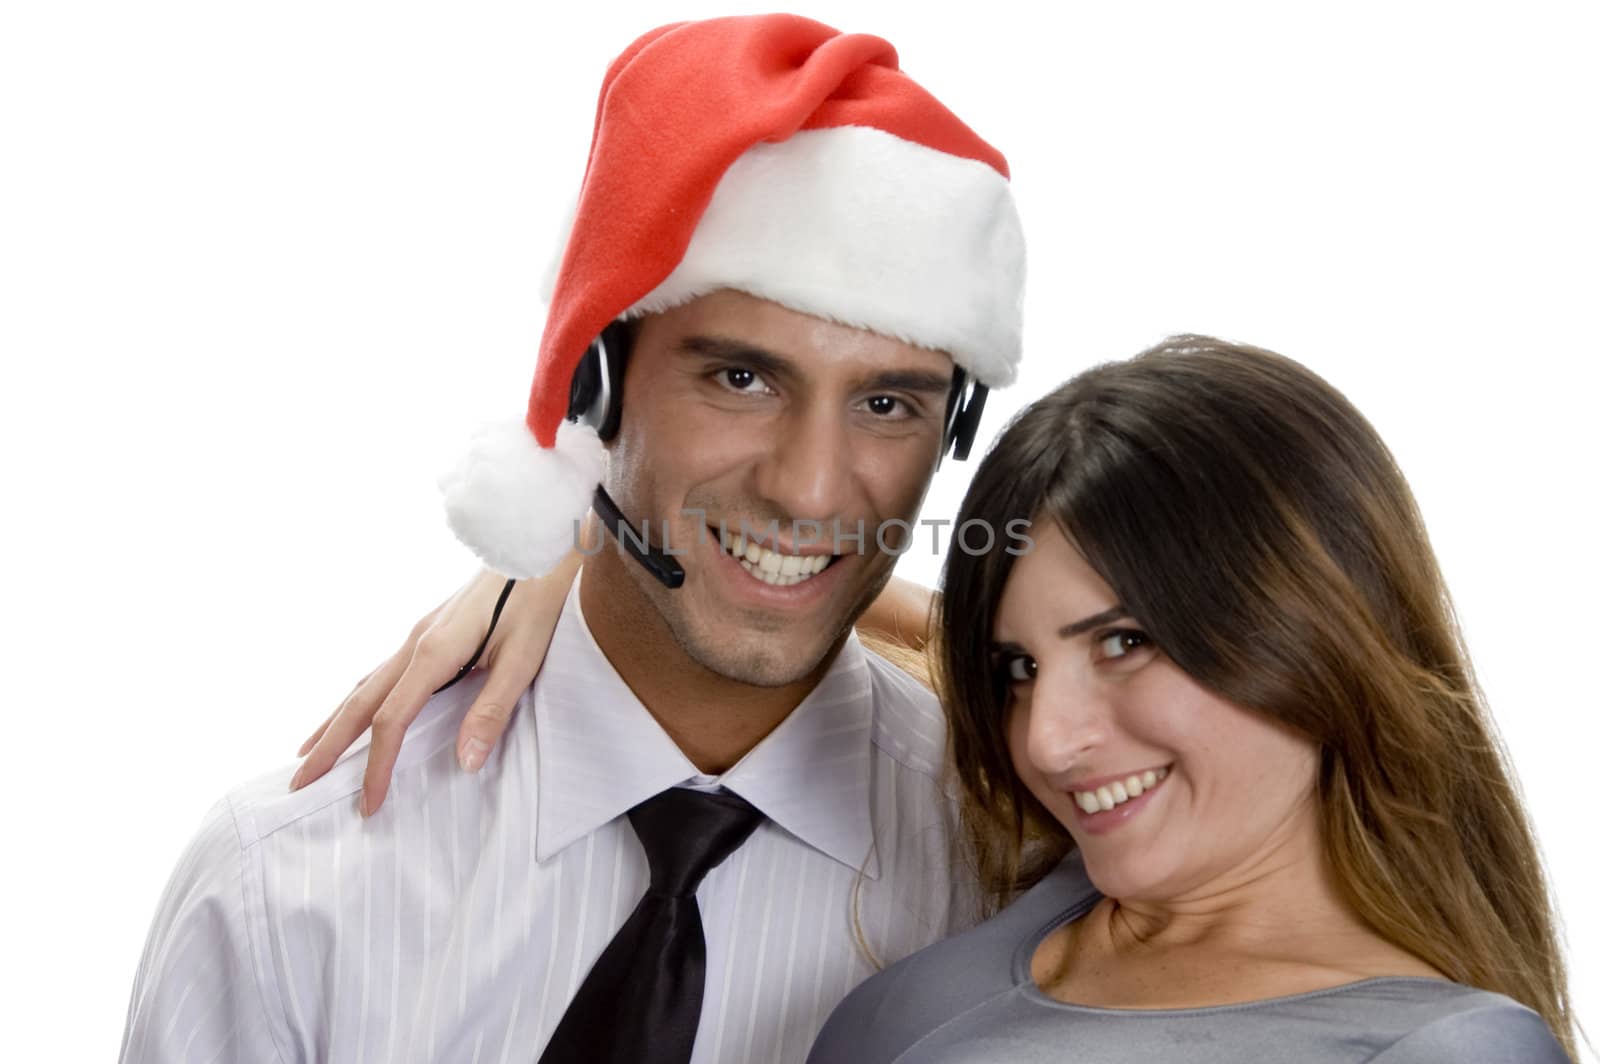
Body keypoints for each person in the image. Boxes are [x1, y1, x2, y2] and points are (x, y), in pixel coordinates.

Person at [118, 14, 1024, 1064]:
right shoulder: (283, 887)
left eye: (886, 404)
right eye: (740, 377)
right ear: (591, 379)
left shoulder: (1032, 881)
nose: (810, 487)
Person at [318, 338, 1578, 1062]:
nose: (1045, 735)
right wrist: (576, 551)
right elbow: (832, 580)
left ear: (1314, 629)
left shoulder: (1440, 1051)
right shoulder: (1064, 877)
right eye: (1019, 669)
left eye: (1127, 639)